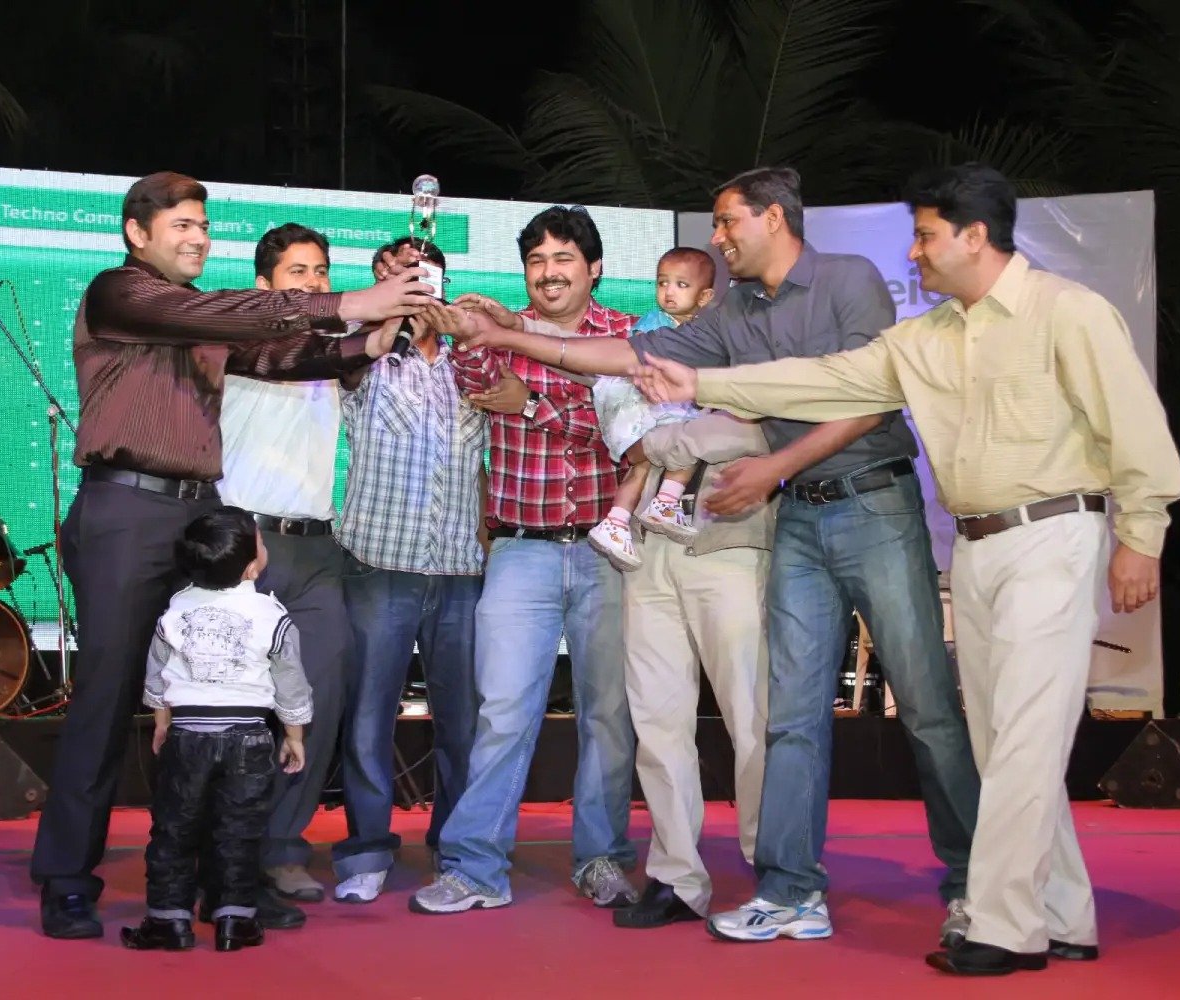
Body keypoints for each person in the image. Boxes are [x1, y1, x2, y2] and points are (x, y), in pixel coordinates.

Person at [629, 163, 1180, 975]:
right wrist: (702, 379)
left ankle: (1003, 925)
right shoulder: (929, 337)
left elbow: (1137, 427)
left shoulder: (1069, 311)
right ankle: (1062, 913)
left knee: (1024, 739)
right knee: (999, 746)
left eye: (926, 237)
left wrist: (1144, 532)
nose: (915, 255)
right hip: (977, 545)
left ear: (974, 235)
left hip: (1054, 536)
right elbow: (828, 379)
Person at [442, 167, 980, 946]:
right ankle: (753, 883)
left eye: (728, 224)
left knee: (922, 705)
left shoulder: (848, 279)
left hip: (855, 506)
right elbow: (627, 360)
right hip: (762, 521)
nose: (718, 239)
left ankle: (971, 881)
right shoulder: (733, 310)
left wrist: (767, 463)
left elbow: (873, 396)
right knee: (772, 718)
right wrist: (502, 335)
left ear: (773, 216)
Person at [30, 170, 425, 940]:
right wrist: (348, 302)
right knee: (109, 701)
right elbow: (236, 314)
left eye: (203, 226)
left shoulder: (203, 323)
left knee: (229, 703)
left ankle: (221, 878)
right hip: (123, 509)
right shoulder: (122, 294)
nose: (197, 238)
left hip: (201, 516)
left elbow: (278, 360)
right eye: (181, 225)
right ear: (137, 233)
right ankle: (66, 877)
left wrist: (372, 339)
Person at [408, 205, 639, 915]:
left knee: (608, 715)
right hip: (520, 551)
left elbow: (632, 442)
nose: (549, 272)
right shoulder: (498, 329)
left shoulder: (627, 337)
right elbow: (475, 383)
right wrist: (464, 322)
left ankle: (601, 858)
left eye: (564, 258)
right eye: (537, 260)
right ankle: (476, 867)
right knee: (503, 712)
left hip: (609, 552)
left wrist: (534, 401)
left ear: (593, 268)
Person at [330, 241, 484, 905]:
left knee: (464, 722)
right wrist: (385, 317)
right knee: (368, 720)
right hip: (379, 568)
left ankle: (457, 844)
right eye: (395, 275)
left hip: (461, 572)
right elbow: (349, 365)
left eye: (421, 275)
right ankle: (366, 849)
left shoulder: (472, 363)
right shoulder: (361, 357)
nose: (410, 286)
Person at [216, 223, 351, 918]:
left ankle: (283, 846)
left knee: (315, 698)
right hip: (248, 544)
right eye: (297, 271)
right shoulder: (245, 337)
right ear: (265, 283)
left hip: (318, 549)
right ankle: (226, 854)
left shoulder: (335, 354)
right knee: (237, 708)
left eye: (322, 271)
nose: (313, 282)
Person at [123, 507, 314, 953]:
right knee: (239, 832)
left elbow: (158, 672)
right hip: (248, 737)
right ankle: (236, 920)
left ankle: (168, 921)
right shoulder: (271, 614)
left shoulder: (176, 609)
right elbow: (290, 681)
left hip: (188, 735)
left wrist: (161, 718)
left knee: (173, 830)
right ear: (252, 566)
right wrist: (294, 735)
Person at [586, 247, 717, 570]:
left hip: (644, 405)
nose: (668, 292)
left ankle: (616, 522)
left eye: (680, 285)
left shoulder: (695, 328)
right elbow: (645, 363)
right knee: (690, 440)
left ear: (705, 296)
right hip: (641, 400)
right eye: (662, 283)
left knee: (642, 467)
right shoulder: (657, 323)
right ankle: (667, 501)